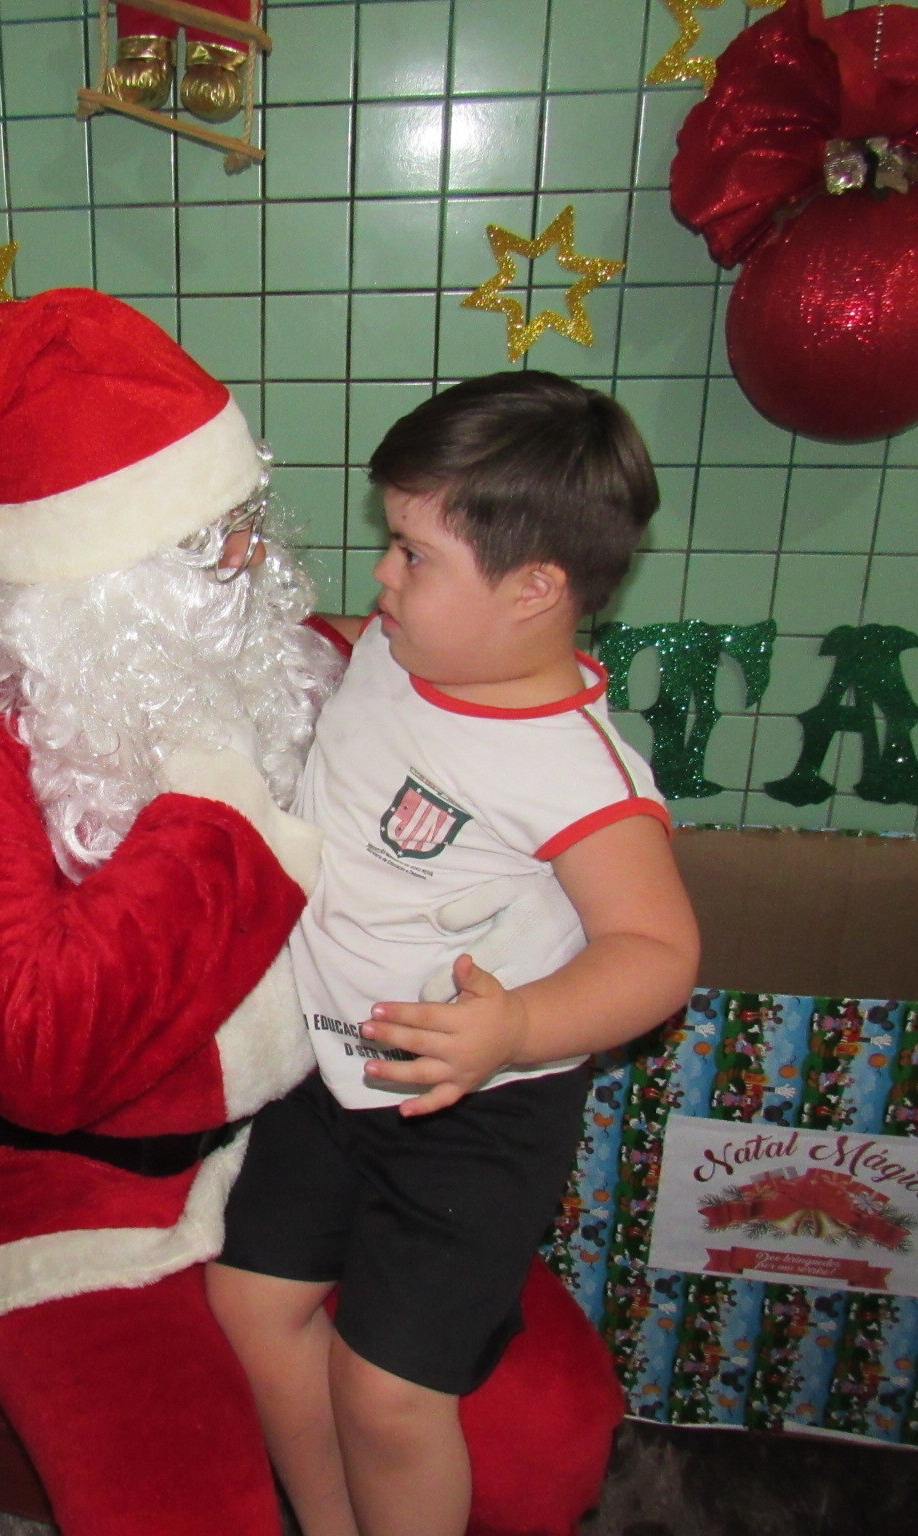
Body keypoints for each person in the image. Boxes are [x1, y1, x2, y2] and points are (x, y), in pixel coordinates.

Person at [0, 287, 345, 1536]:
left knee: (538, 1427)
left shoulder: (286, 652)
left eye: (247, 521)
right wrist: (214, 802)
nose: (249, 564)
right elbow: (39, 1057)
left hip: (292, 1138)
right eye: (205, 541)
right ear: (85, 573)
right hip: (45, 1185)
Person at [206, 371, 702, 1536]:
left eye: (413, 553)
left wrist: (515, 1026)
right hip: (330, 1069)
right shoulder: (395, 647)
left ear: (534, 590)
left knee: (385, 1396)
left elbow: (656, 950)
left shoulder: (576, 772)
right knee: (248, 1303)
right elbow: (317, 668)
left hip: (473, 1114)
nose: (382, 574)